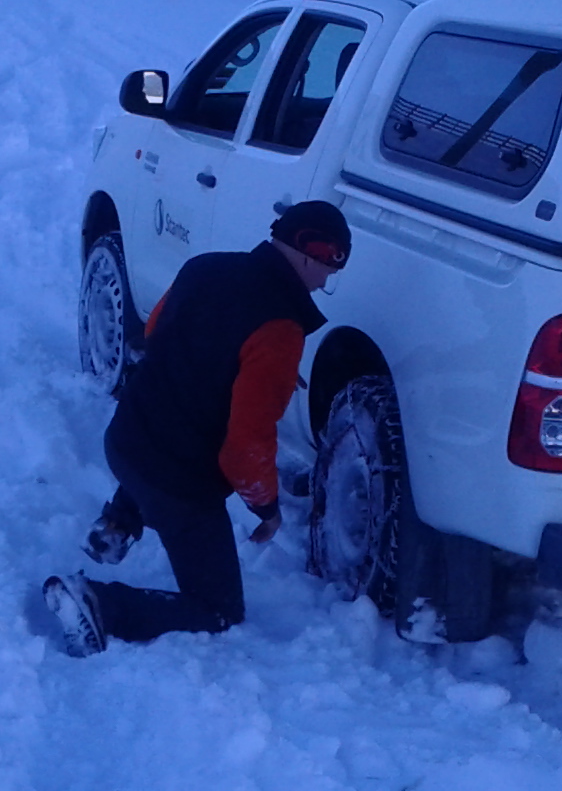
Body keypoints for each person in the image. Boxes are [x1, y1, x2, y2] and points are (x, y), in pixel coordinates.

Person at [44, 201, 353, 657]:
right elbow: (245, 444)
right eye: (331, 267)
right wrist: (266, 508)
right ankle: (99, 606)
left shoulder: (205, 267)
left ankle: (114, 525)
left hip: (126, 436)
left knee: (171, 431)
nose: (327, 281)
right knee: (218, 609)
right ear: (310, 253)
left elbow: (156, 332)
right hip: (176, 486)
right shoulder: (280, 330)